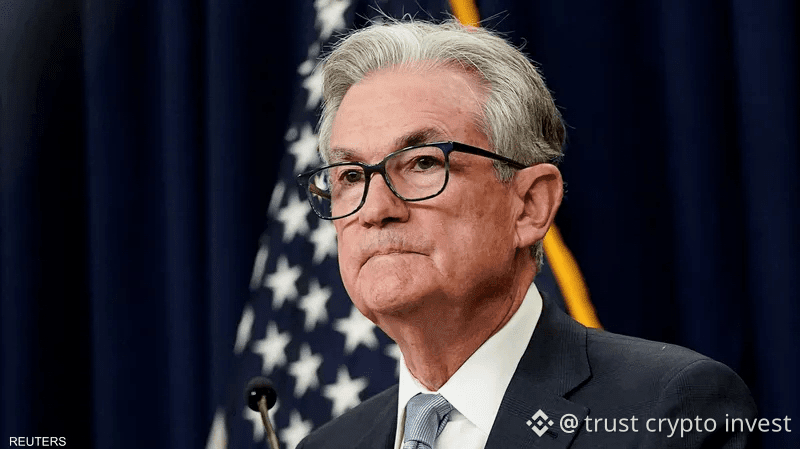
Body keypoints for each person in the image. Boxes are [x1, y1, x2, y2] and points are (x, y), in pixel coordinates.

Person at [295, 18, 757, 449]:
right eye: (350, 175)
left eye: (423, 163)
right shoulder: (328, 445)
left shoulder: (667, 409)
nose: (375, 210)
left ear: (530, 205)